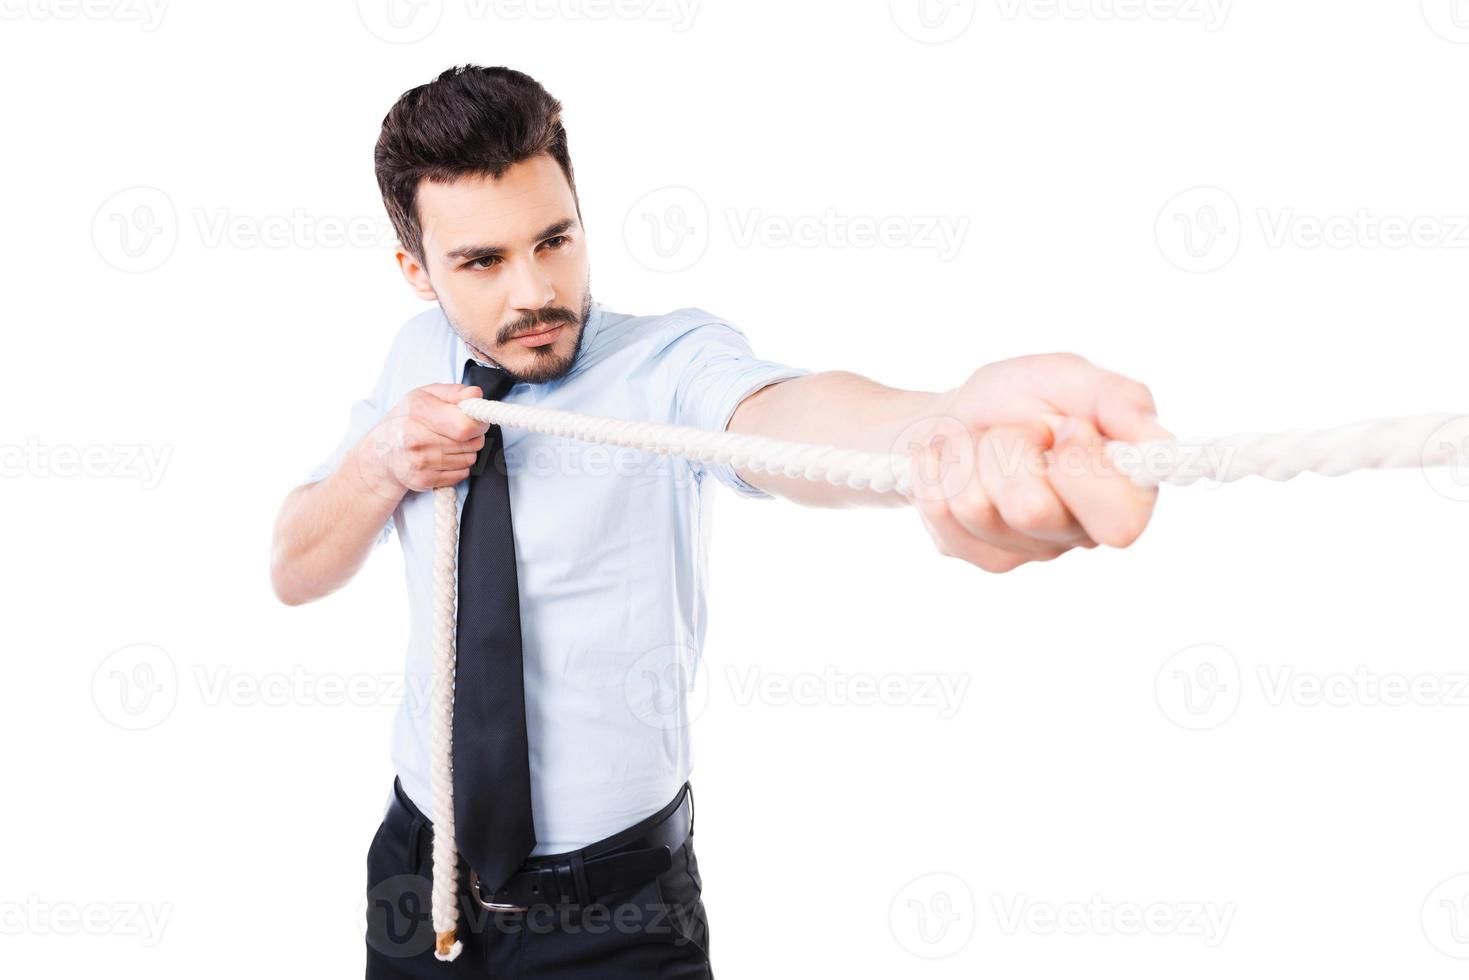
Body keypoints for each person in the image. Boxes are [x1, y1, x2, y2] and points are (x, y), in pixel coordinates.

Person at [268, 64, 1172, 979]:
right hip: (418, 879)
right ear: (415, 273)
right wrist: (381, 464)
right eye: (482, 262)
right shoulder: (414, 359)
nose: (534, 293)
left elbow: (779, 417)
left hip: (615, 915)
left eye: (555, 240)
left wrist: (934, 427)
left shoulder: (666, 364)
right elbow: (293, 569)